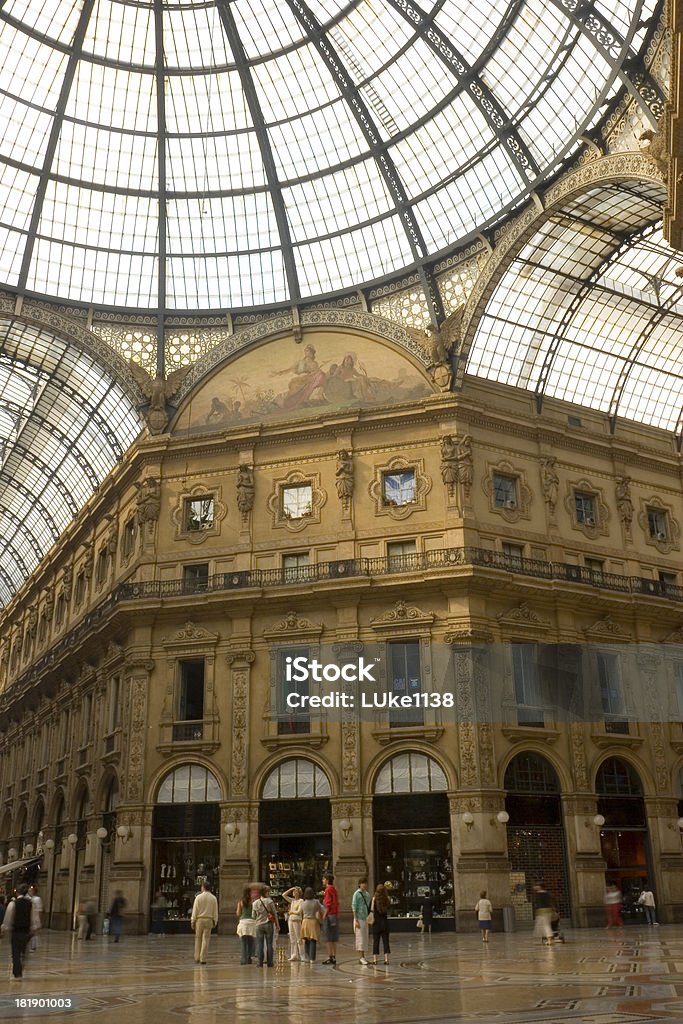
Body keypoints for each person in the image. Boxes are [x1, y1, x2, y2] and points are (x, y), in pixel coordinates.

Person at [1, 883, 40, 980]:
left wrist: (4, 928)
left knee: (16, 952)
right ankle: (20, 967)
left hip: (16, 931)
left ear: (17, 892)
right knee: (23, 951)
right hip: (26, 931)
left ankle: (17, 973)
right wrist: (34, 929)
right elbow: (34, 918)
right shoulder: (31, 904)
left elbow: (8, 918)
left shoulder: (13, 903)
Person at [251, 884, 279, 968]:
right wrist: (277, 925)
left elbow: (253, 916)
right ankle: (270, 962)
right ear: (266, 892)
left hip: (258, 925)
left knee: (260, 944)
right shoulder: (269, 901)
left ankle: (260, 963)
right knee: (269, 944)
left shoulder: (255, 903)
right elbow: (274, 914)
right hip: (268, 924)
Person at [190, 882, 218, 964]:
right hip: (209, 920)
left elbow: (195, 910)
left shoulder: (198, 897)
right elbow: (215, 911)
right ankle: (203, 958)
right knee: (206, 939)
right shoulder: (213, 898)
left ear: (203, 887)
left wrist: (193, 920)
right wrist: (215, 921)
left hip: (200, 920)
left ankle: (197, 957)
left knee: (198, 938)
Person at [300, 886, 324, 964]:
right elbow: (322, 909)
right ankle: (312, 958)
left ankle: (307, 956)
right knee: (313, 939)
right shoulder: (316, 902)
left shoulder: (303, 903)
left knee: (306, 939)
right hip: (313, 921)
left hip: (305, 921)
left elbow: (300, 912)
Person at [351, 877, 371, 965]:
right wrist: (355, 919)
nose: (364, 885)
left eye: (365, 883)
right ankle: (361, 957)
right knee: (360, 938)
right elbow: (354, 906)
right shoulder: (356, 894)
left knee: (365, 937)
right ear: (359, 884)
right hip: (359, 918)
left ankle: (363, 956)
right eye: (362, 883)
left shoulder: (367, 894)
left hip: (365, 917)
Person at [282, 885, 304, 962]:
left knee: (299, 938)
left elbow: (299, 911)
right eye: (293, 892)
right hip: (290, 920)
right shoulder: (292, 901)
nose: (294, 893)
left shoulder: (301, 901)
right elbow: (284, 895)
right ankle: (294, 955)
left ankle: (302, 955)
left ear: (299, 893)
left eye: (296, 891)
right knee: (292, 938)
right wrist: (291, 889)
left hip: (297, 920)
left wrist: (291, 912)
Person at [370, 883, 391, 965]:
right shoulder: (387, 899)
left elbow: (370, 910)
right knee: (386, 941)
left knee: (376, 942)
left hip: (376, 923)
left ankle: (375, 960)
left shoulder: (374, 899)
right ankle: (386, 959)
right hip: (385, 923)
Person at [321, 872, 339, 965]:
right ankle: (334, 956)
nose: (322, 881)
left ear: (327, 880)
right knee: (333, 937)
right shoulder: (334, 889)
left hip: (329, 915)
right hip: (335, 915)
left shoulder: (328, 890)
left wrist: (324, 916)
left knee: (328, 937)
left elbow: (328, 904)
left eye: (324, 879)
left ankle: (330, 956)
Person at [235, 886, 256, 964]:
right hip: (252, 922)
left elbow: (238, 913)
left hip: (243, 922)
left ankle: (243, 960)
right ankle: (249, 958)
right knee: (251, 942)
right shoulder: (253, 902)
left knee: (243, 942)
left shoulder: (241, 902)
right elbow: (255, 913)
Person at [28, 885, 42, 951]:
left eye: (31, 891)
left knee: (34, 933)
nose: (29, 892)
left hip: (35, 917)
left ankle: (33, 947)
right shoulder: (28, 898)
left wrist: (39, 919)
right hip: (29, 917)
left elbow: (39, 910)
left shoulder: (37, 899)